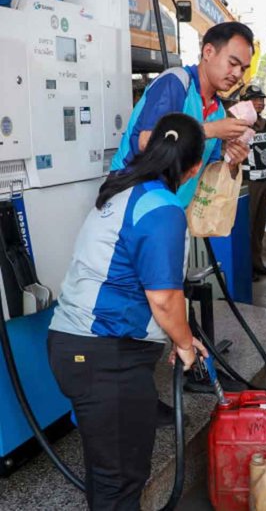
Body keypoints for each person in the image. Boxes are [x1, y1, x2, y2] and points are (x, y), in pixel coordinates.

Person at [48, 113, 209, 510]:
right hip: (103, 355)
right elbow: (164, 298)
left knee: (113, 473)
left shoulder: (124, 190)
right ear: (192, 169)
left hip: (85, 348)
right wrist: (186, 346)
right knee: (119, 480)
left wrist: (177, 336)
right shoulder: (161, 208)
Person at [110, 21, 254, 206]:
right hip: (133, 200)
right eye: (233, 63)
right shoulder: (176, 82)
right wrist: (210, 130)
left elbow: (206, 171)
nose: (237, 74)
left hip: (173, 207)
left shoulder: (218, 111)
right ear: (208, 52)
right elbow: (147, 141)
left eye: (243, 68)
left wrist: (232, 161)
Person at [239, 84, 266, 278]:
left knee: (259, 224)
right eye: (255, 99)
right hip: (248, 182)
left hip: (263, 179)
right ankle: (246, 266)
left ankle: (257, 261)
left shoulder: (265, 123)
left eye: (261, 99)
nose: (259, 102)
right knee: (248, 225)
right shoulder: (238, 124)